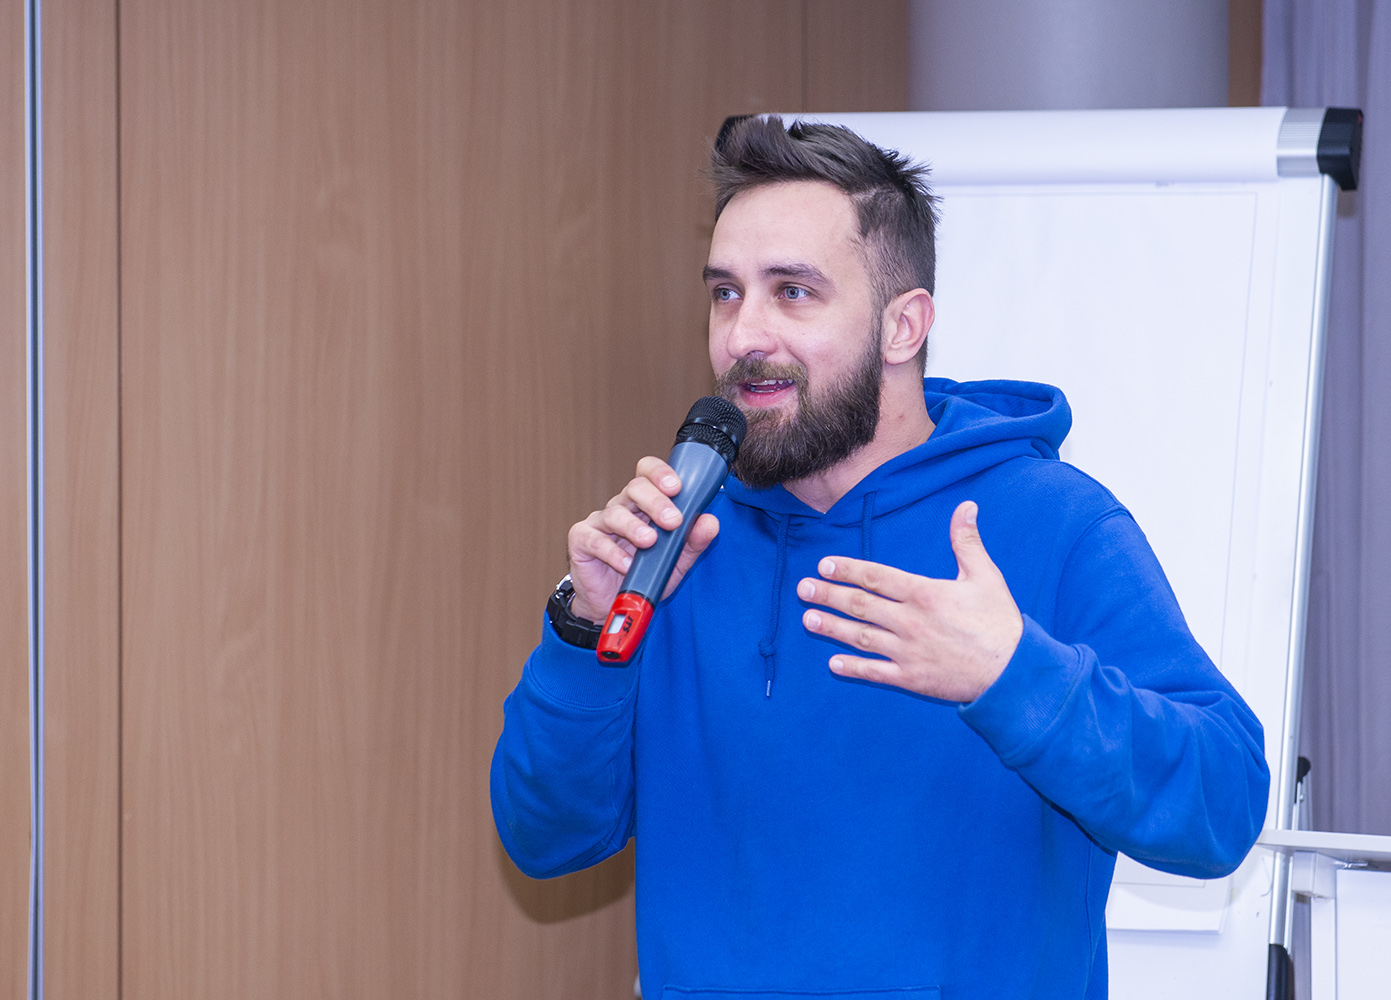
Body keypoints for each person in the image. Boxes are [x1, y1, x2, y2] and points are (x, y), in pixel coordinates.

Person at [491, 115, 1269, 999]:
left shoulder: (1052, 524)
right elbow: (546, 837)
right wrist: (584, 631)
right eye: (725, 293)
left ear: (904, 326)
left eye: (792, 292)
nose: (742, 336)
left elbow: (1221, 810)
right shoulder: (681, 542)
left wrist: (1012, 675)